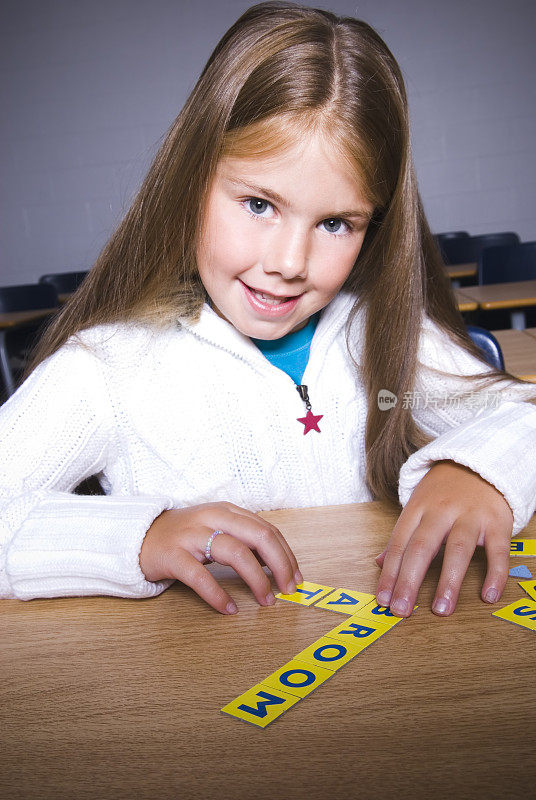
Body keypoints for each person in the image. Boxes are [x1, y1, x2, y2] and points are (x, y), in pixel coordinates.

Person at [1, 1, 535, 618]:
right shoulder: (106, 368)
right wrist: (139, 535)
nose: (289, 261)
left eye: (335, 222)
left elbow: (520, 411)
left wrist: (478, 471)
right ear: (192, 181)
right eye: (259, 204)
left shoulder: (384, 332)